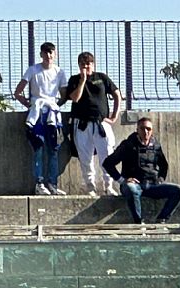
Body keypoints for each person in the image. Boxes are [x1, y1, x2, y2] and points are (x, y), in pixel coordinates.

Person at [103, 117, 180, 224]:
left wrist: (160, 178)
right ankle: (139, 223)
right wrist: (122, 180)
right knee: (131, 189)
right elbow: (108, 163)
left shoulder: (156, 145)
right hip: (134, 185)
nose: (146, 132)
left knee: (179, 190)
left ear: (152, 130)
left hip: (152, 185)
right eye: (142, 129)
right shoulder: (128, 145)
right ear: (137, 130)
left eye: (148, 129)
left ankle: (162, 219)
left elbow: (164, 165)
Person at [15, 41, 67, 196]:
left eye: (51, 52)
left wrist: (56, 106)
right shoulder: (33, 70)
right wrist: (30, 105)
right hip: (37, 114)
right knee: (38, 148)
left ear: (55, 54)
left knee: (53, 149)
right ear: (41, 54)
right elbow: (18, 92)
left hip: (52, 114)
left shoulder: (59, 72)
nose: (48, 55)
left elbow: (64, 95)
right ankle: (39, 183)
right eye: (45, 52)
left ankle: (52, 183)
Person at [66, 51, 121, 197]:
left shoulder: (101, 77)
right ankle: (90, 187)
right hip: (82, 124)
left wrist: (114, 116)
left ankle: (108, 186)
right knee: (86, 158)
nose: (86, 66)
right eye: (83, 64)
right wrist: (82, 81)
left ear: (93, 64)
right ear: (79, 66)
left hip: (101, 123)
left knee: (107, 155)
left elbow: (117, 94)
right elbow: (75, 98)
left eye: (89, 63)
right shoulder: (74, 80)